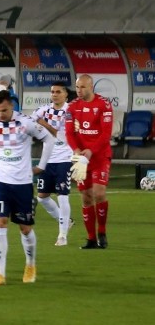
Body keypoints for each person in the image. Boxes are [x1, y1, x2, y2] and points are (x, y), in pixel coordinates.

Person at [0, 89, 54, 286]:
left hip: (22, 183)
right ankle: (0, 274)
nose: (0, 114)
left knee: (25, 227)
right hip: (1, 182)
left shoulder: (26, 122)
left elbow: (49, 139)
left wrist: (41, 166)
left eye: (3, 110)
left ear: (11, 105)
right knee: (0, 222)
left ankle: (30, 264)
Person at [64, 74, 114, 250]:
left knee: (99, 193)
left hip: (100, 156)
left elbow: (106, 134)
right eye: (77, 87)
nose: (79, 90)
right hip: (80, 157)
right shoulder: (72, 107)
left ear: (91, 87)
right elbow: (69, 133)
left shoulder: (103, 104)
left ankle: (102, 232)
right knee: (85, 198)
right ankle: (91, 238)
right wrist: (76, 151)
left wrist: (91, 151)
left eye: (83, 87)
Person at [30, 82, 75, 246]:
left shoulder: (70, 111)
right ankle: (66, 221)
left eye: (58, 92)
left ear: (65, 95)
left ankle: (62, 235)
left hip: (65, 158)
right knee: (42, 198)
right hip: (47, 159)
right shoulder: (43, 109)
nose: (54, 94)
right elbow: (30, 123)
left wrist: (44, 124)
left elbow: (62, 136)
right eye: (52, 92)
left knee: (63, 196)